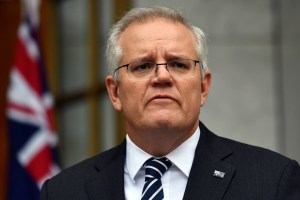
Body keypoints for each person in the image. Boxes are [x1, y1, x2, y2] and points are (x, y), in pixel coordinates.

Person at [40, 6, 300, 200]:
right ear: (115, 92)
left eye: (178, 64)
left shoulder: (272, 180)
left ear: (202, 87)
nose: (162, 76)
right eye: (142, 66)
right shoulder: (64, 192)